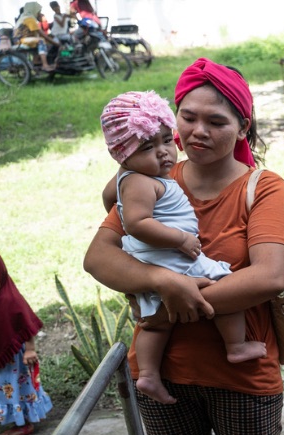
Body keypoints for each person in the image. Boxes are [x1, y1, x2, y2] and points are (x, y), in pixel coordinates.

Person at [84, 58, 284, 435]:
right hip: (163, 373)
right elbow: (98, 258)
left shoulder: (263, 187)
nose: (198, 131)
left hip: (242, 374)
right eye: (187, 117)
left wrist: (176, 303)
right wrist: (165, 281)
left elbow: (269, 276)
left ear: (242, 127)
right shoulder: (150, 178)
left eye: (217, 121)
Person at [100, 90, 267, 405]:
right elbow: (135, 224)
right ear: (122, 154)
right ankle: (236, 345)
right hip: (173, 257)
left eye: (166, 140)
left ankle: (149, 374)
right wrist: (179, 241)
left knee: (155, 322)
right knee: (224, 282)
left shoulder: (137, 177)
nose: (164, 153)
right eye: (148, 147)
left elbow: (111, 199)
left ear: (243, 127)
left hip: (162, 262)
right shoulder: (140, 181)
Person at [0, 251, 53, 435]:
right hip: (1, 359)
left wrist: (30, 349)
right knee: (2, 389)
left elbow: (26, 323)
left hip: (14, 360)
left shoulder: (9, 300)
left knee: (15, 389)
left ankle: (23, 424)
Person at [13, 2, 56, 71]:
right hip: (21, 40)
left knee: (41, 41)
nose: (39, 13)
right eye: (38, 11)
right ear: (33, 9)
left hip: (23, 39)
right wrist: (55, 43)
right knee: (41, 41)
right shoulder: (29, 18)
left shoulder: (25, 17)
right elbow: (41, 33)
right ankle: (45, 65)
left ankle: (37, 63)